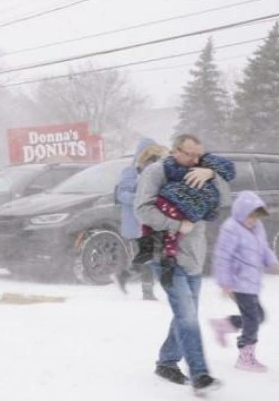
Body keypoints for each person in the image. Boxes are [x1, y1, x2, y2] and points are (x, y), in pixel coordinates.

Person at [134, 133, 231, 395]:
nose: (195, 159)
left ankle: (166, 362)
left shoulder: (203, 170)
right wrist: (177, 224)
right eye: (189, 154)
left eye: (198, 155)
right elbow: (142, 209)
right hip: (165, 255)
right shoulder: (156, 172)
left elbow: (224, 200)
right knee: (187, 317)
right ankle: (200, 376)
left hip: (194, 257)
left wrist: (211, 175)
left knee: (184, 316)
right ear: (175, 151)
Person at [209, 191, 279, 373]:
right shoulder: (231, 229)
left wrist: (274, 264)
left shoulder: (257, 227)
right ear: (240, 213)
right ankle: (245, 356)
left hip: (251, 282)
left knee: (259, 316)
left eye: (256, 217)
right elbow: (222, 257)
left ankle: (224, 325)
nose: (253, 221)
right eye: (250, 217)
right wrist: (225, 283)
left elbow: (264, 249)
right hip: (238, 283)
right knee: (253, 319)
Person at [139, 151, 236, 289]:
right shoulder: (164, 169)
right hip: (176, 209)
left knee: (170, 239)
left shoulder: (209, 172)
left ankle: (159, 260)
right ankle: (155, 259)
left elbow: (223, 199)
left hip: (184, 216)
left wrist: (210, 174)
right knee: (167, 236)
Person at [114, 139, 168, 300]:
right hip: (135, 222)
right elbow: (122, 194)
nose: (154, 158)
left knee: (149, 255)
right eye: (150, 154)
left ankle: (124, 275)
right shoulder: (130, 172)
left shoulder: (155, 171)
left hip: (150, 220)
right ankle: (147, 292)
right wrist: (141, 198)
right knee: (148, 256)